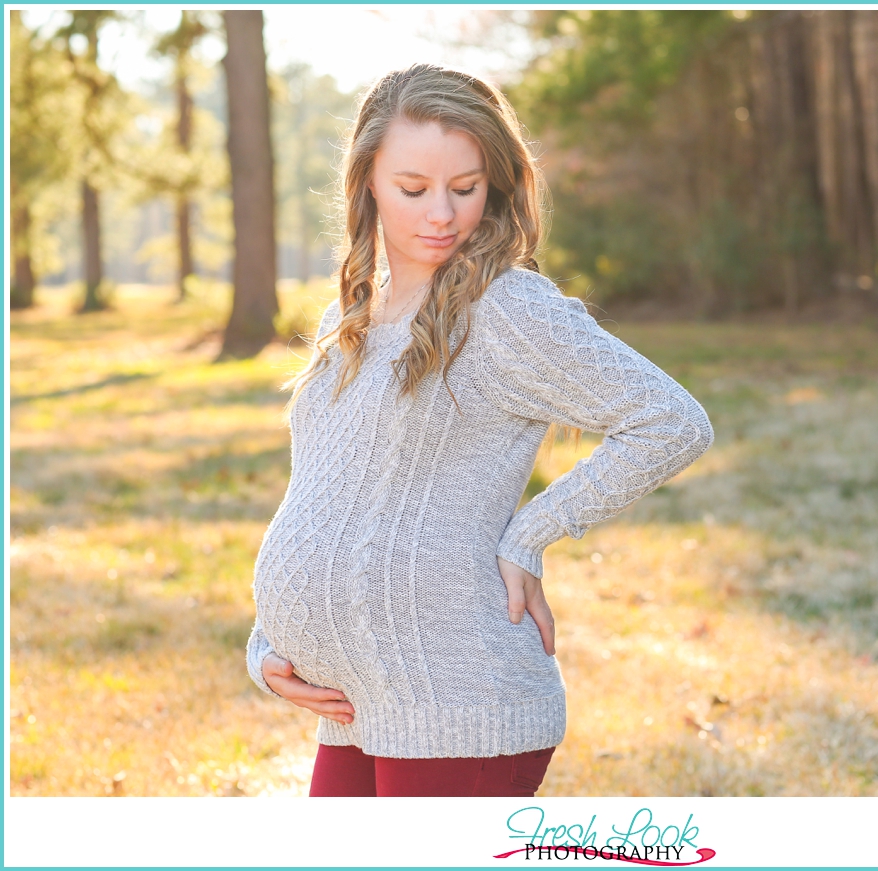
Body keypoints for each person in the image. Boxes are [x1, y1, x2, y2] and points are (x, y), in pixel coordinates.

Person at [245, 64, 714, 797]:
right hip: (361, 702)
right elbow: (322, 495)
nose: (442, 214)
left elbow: (671, 420)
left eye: (465, 188)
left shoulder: (505, 308)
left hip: (460, 700)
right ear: (367, 178)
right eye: (413, 188)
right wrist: (273, 638)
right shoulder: (350, 317)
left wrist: (530, 535)